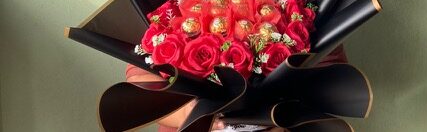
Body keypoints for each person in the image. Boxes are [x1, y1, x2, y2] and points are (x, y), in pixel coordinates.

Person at [125, 44, 347, 132]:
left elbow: (331, 80)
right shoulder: (167, 3)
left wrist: (283, 119)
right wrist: (191, 115)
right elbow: (140, 85)